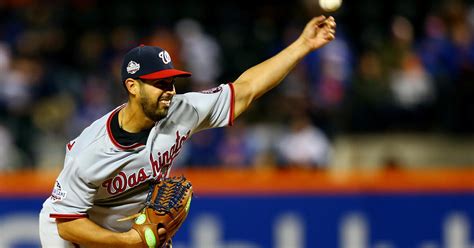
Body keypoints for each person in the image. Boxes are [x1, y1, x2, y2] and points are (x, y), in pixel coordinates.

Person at [38, 15, 336, 247]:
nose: (169, 91)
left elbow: (246, 89)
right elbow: (66, 221)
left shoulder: (182, 110)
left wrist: (303, 45)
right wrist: (128, 243)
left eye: (171, 82)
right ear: (132, 86)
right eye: (159, 84)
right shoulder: (92, 150)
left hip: (130, 230)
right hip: (72, 237)